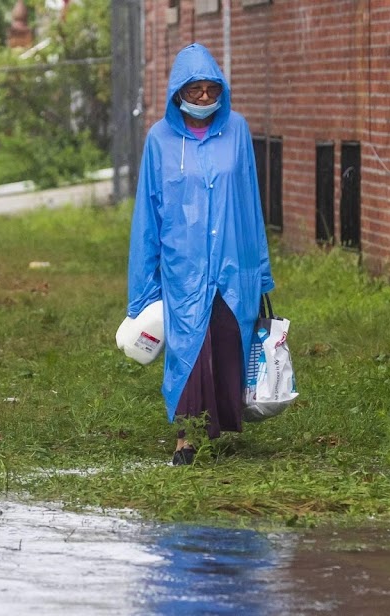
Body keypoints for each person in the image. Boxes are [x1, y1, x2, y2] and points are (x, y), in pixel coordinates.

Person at [126, 43, 275, 466]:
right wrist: (143, 289)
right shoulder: (159, 140)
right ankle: (185, 439)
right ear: (179, 94)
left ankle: (220, 427)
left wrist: (260, 270)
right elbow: (147, 215)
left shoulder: (238, 131)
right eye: (196, 91)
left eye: (212, 90)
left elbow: (249, 200)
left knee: (229, 342)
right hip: (183, 267)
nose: (205, 98)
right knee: (189, 350)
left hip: (232, 263)